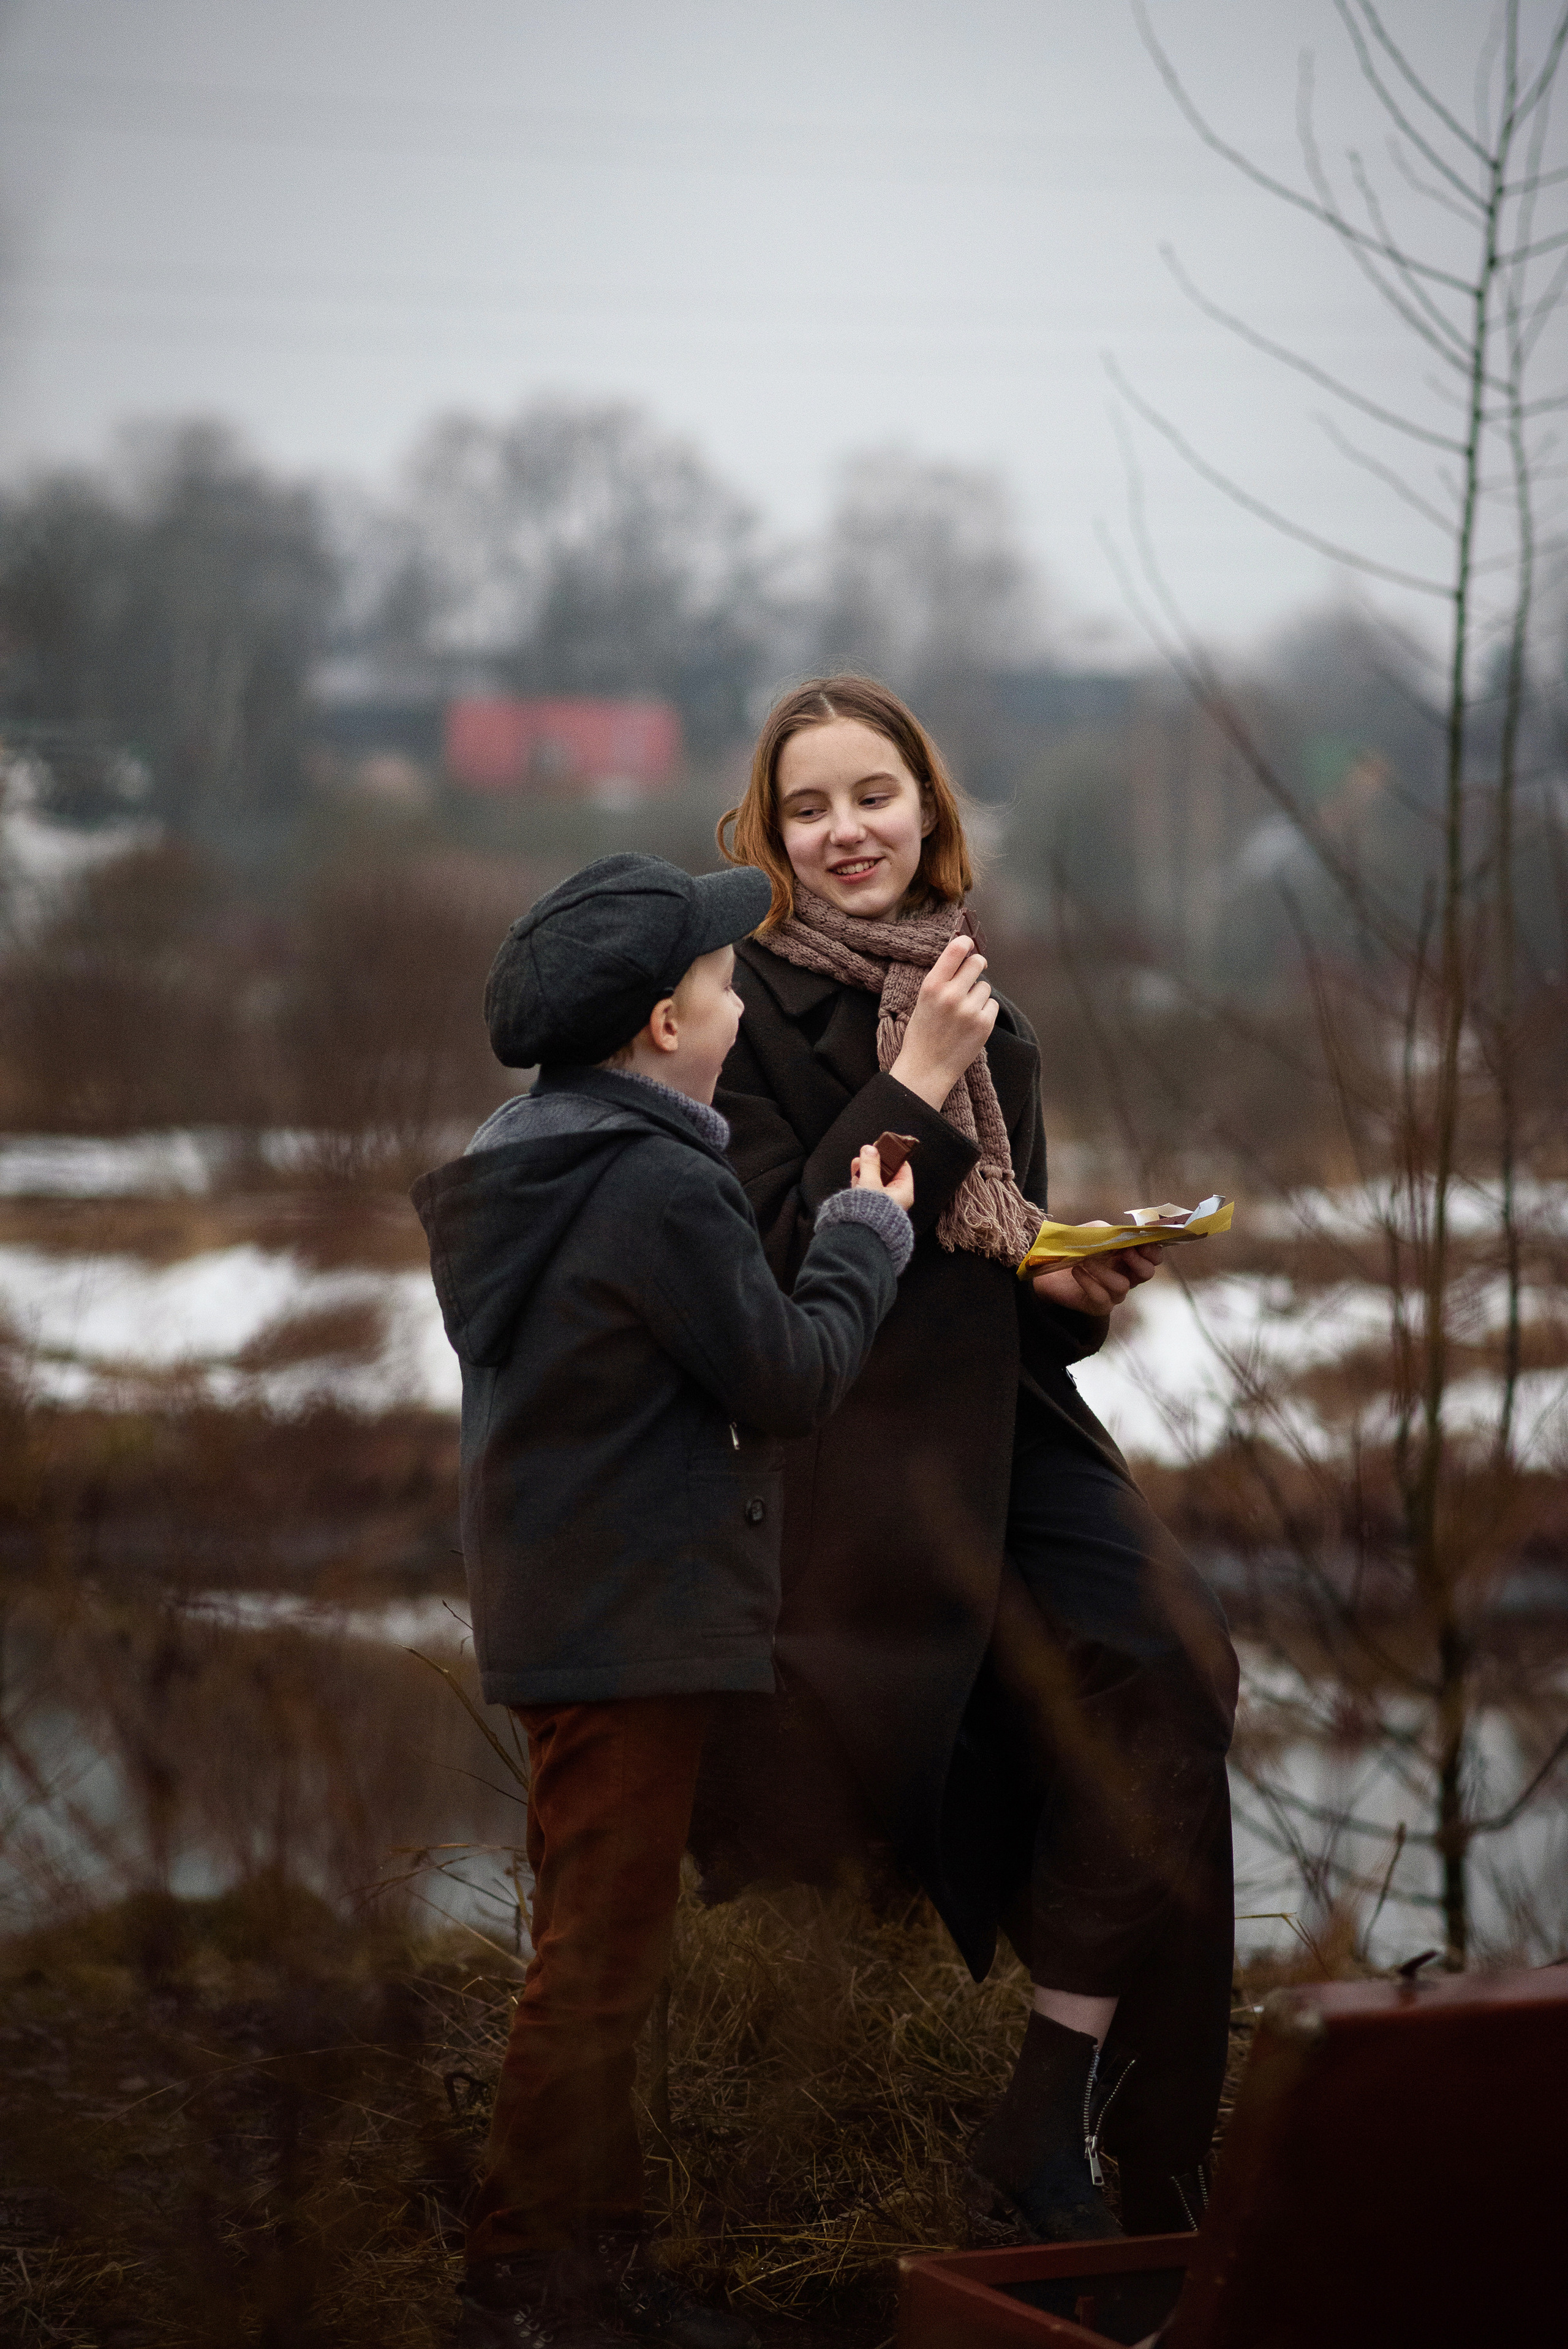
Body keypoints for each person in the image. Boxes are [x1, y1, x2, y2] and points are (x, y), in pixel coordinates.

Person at [690, 678, 1240, 2244]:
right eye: (808, 807)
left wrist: (1063, 1290)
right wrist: (914, 1079)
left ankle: (1059, 2109)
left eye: (873, 794)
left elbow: (979, 1286)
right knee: (1060, 1727)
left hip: (1000, 1433)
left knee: (1178, 1667)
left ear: (927, 811)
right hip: (851, 1466)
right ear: (769, 837)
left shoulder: (984, 1004)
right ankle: (1132, 2163)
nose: (845, 828)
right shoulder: (738, 1017)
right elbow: (784, 1271)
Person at [412, 852, 917, 2349]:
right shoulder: (652, 1180)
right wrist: (860, 1242)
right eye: (715, 981)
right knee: (596, 1964)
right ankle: (514, 2287)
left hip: (567, 1612)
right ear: (658, 1025)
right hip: (631, 1624)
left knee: (598, 1945)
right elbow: (787, 1377)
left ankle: (602, 2264)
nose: (732, 997)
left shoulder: (537, 1149)